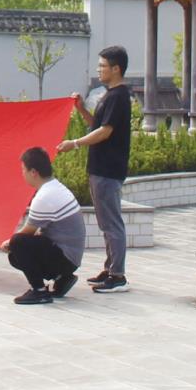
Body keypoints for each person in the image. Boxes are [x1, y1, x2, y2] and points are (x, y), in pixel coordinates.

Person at [60, 45, 132, 294]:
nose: (99, 70)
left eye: (103, 66)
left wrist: (74, 143)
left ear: (116, 69)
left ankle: (118, 275)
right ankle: (110, 268)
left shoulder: (118, 96)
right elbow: (98, 125)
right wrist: (81, 109)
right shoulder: (109, 95)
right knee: (106, 223)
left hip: (108, 169)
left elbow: (105, 132)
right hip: (100, 168)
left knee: (112, 223)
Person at [2, 147, 83, 305]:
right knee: (17, 250)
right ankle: (62, 278)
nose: (22, 174)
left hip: (66, 258)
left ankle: (39, 291)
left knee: (18, 243)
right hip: (71, 257)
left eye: (23, 170)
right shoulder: (56, 187)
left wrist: (8, 243)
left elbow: (27, 233)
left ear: (33, 172)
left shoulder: (44, 197)